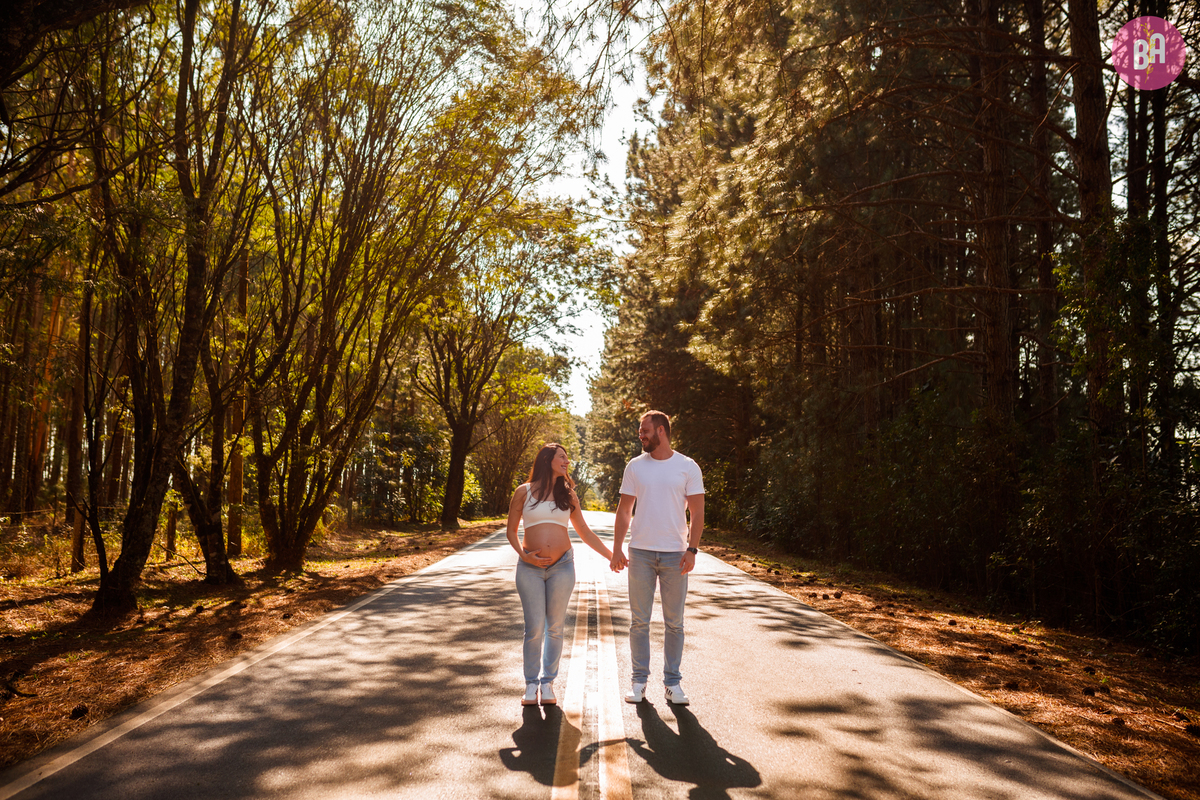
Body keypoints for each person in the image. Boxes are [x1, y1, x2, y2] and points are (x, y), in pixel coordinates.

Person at [506, 443, 614, 706]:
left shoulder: (568, 495)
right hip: (529, 568)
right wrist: (523, 555)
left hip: (562, 565)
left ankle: (548, 682)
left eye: (567, 458)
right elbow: (510, 531)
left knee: (555, 627)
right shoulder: (524, 492)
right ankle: (531, 684)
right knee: (535, 628)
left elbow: (585, 533)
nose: (567, 461)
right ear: (547, 460)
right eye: (562, 457)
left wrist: (613, 556)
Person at [609, 410, 705, 705]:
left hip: (676, 554)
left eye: (645, 430)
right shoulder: (635, 467)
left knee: (674, 622)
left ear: (661, 430)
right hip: (640, 553)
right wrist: (616, 548)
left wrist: (692, 549)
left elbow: (698, 512)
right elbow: (625, 511)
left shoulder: (687, 467)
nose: (641, 435)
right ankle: (638, 682)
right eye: (640, 431)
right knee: (639, 621)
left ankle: (672, 683)